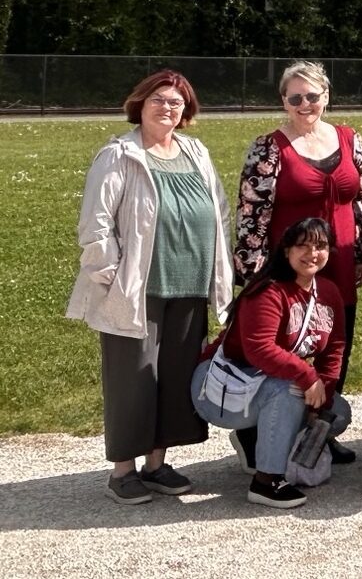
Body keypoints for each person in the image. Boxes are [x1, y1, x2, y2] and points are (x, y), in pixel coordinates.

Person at [67, 70, 233, 505]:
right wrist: (112, 277)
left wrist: (220, 268)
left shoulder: (196, 151)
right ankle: (124, 470)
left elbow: (220, 210)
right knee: (134, 378)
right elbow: (96, 224)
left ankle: (157, 463)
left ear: (187, 111)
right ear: (140, 102)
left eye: (177, 102)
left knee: (176, 377)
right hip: (137, 288)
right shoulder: (119, 155)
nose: (168, 108)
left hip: (191, 283)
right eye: (159, 99)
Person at [234, 61, 362, 465]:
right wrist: (255, 272)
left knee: (335, 346)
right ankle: (256, 434)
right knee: (281, 348)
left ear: (326, 97)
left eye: (312, 96)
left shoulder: (350, 139)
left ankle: (320, 428)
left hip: (341, 260)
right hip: (288, 268)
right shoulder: (270, 147)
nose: (304, 104)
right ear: (283, 101)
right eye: (295, 97)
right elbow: (252, 213)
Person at [190, 217, 351, 510]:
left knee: (337, 412)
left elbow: (334, 349)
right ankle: (267, 481)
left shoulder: (328, 292)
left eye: (320, 246)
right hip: (223, 386)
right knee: (288, 390)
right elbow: (259, 349)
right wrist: (306, 376)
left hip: (263, 382)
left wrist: (321, 396)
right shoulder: (268, 291)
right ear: (286, 249)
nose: (312, 254)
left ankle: (253, 439)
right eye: (302, 246)